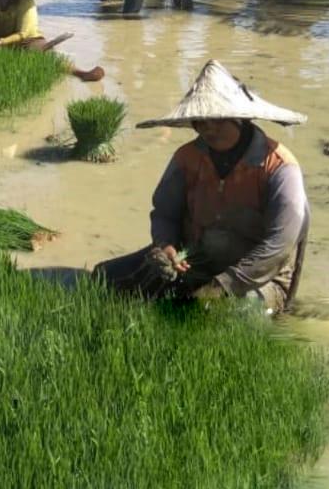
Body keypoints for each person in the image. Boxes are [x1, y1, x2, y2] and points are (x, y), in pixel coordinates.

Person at [93, 60, 310, 315]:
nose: (208, 128)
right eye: (200, 121)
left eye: (216, 119)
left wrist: (222, 285)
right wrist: (166, 246)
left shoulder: (279, 167)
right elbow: (164, 214)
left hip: (258, 278)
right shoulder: (187, 158)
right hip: (194, 259)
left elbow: (279, 245)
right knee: (103, 278)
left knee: (225, 315)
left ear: (239, 118)